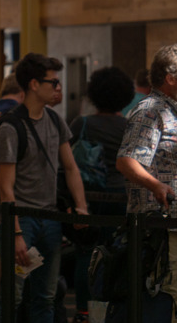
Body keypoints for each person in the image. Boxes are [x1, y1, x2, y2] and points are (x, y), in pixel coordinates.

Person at [0, 53, 88, 323]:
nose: (58, 88)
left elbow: (70, 167)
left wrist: (81, 208)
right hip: (22, 220)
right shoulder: (11, 127)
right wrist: (16, 234)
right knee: (14, 296)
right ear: (34, 84)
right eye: (53, 82)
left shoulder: (55, 120)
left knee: (45, 297)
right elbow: (5, 188)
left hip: (50, 220)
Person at [116, 44, 177, 320]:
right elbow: (127, 161)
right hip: (163, 230)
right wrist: (157, 186)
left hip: (176, 227)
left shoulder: (175, 111)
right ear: (171, 77)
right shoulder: (151, 110)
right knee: (170, 298)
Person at [67, 66, 134, 323]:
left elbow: (68, 161)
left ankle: (86, 312)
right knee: (119, 254)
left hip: (89, 195)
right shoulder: (128, 126)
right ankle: (114, 312)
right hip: (121, 196)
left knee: (87, 254)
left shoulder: (81, 123)